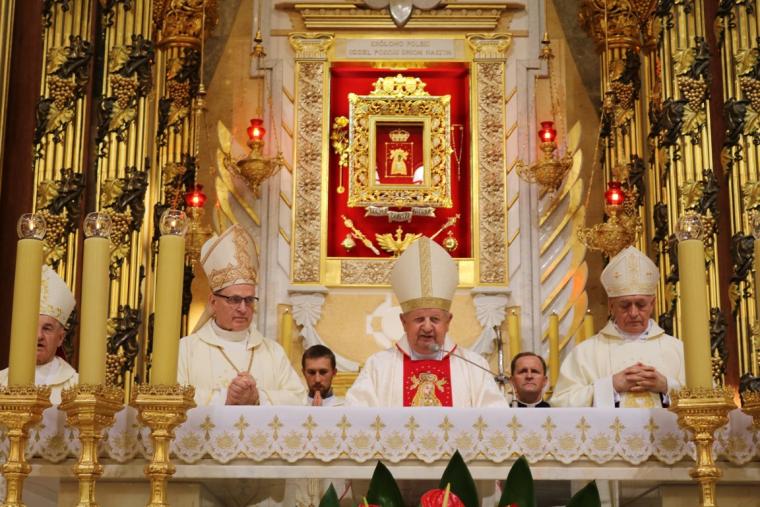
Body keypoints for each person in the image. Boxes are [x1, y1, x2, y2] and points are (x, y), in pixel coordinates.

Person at [346, 237, 507, 407]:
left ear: (448, 322)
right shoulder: (379, 366)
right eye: (419, 319)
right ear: (403, 322)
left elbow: (494, 416)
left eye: (435, 319)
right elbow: (356, 414)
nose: (427, 327)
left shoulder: (473, 367)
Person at [177, 224, 305, 406]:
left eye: (249, 300)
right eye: (234, 299)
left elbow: (299, 399)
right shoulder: (186, 350)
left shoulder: (272, 352)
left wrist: (258, 397)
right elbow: (174, 398)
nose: (243, 308)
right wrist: (225, 398)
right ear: (213, 302)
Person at [551, 246, 685, 408]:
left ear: (653, 304)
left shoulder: (677, 349)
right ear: (611, 306)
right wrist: (610, 386)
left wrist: (667, 387)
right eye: (625, 305)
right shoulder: (586, 353)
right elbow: (561, 403)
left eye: (641, 304)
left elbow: (704, 398)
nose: (633, 313)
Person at [0, 266, 78, 404]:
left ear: (60, 338)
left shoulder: (77, 387)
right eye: (31, 328)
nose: (38, 336)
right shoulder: (2, 381)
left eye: (47, 328)